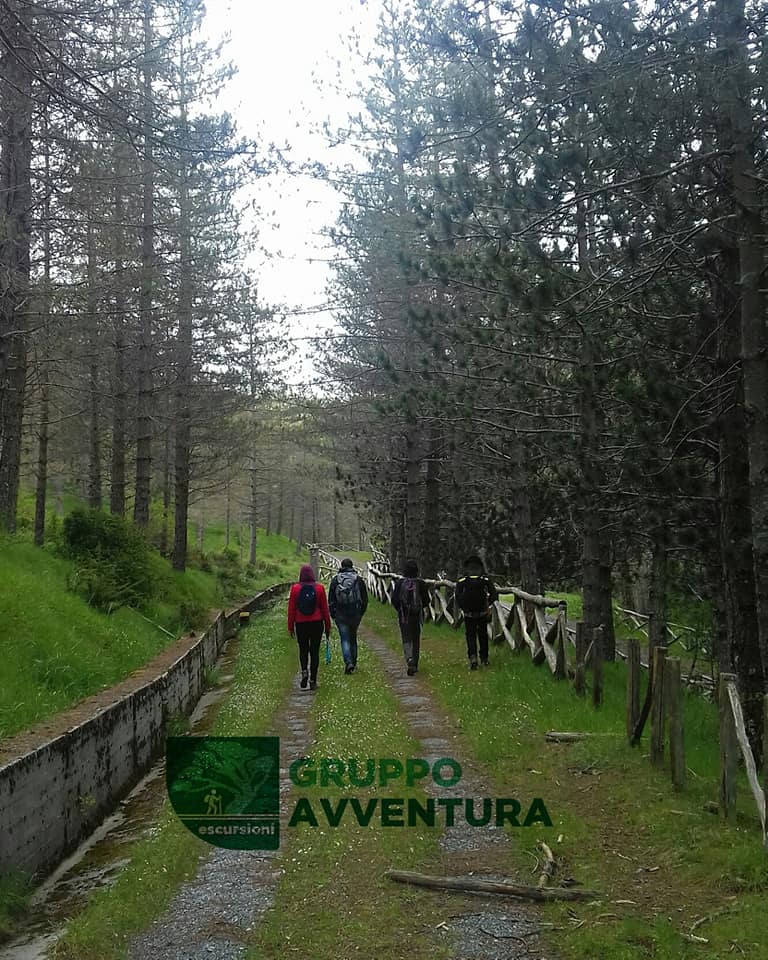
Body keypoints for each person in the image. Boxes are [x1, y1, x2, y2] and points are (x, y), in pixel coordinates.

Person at [287, 564, 331, 690]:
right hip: (317, 622)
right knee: (315, 651)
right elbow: (324, 609)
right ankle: (313, 679)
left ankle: (304, 671)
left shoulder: (295, 589)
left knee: (303, 649)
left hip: (301, 623)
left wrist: (290, 626)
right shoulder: (319, 588)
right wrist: (327, 625)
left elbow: (291, 609)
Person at [455, 554, 499, 670]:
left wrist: (463, 607)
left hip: (469, 613)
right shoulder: (485, 580)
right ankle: (484, 658)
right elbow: (494, 595)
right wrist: (487, 604)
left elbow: (457, 596)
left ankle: (473, 656)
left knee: (470, 635)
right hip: (482, 612)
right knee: (483, 635)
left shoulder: (462, 580)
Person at [329, 558, 369, 674]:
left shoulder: (336, 580)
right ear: (352, 566)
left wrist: (333, 614)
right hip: (355, 613)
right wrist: (361, 612)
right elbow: (365, 599)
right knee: (353, 638)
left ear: (341, 566)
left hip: (341, 614)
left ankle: (348, 662)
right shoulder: (358, 579)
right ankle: (354, 663)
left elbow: (331, 599)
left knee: (344, 639)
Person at [391, 559, 430, 676]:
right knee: (415, 638)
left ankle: (409, 659)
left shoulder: (400, 583)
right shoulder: (421, 583)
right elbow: (427, 600)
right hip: (416, 615)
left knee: (406, 637)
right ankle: (415, 663)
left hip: (404, 616)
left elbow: (394, 600)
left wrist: (401, 609)